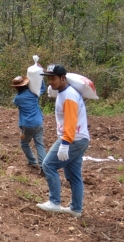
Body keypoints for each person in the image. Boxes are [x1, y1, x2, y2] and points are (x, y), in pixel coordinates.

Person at [36, 64, 90, 218]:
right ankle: (76, 209)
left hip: (73, 139)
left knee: (48, 164)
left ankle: (54, 202)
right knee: (74, 175)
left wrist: (65, 143)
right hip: (80, 139)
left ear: (63, 78)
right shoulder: (65, 92)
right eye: (48, 79)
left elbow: (71, 122)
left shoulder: (69, 96)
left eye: (53, 79)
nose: (50, 82)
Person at [10, 75, 46, 174]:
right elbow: (43, 88)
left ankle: (32, 162)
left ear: (16, 88)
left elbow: (14, 102)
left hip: (27, 125)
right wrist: (40, 79)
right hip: (38, 122)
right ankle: (44, 167)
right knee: (39, 144)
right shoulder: (34, 94)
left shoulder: (18, 98)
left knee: (24, 144)